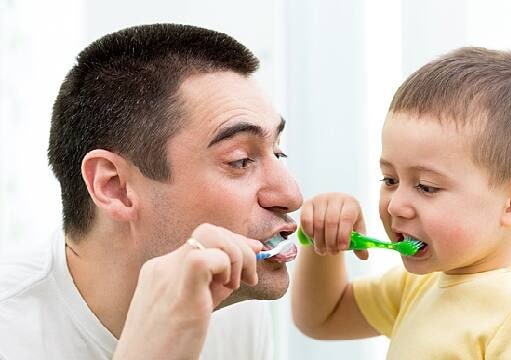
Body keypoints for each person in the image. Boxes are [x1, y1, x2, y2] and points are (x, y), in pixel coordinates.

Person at [0, 23, 302, 359]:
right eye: (241, 160)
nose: (291, 194)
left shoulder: (230, 306)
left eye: (278, 152)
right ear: (115, 187)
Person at [291, 47, 511, 359]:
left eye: (426, 187)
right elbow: (323, 318)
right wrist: (320, 241)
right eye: (389, 180)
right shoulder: (419, 284)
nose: (396, 206)